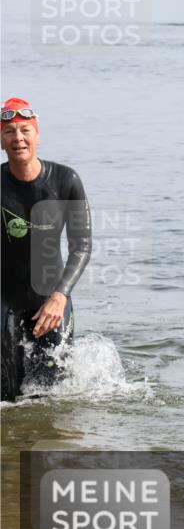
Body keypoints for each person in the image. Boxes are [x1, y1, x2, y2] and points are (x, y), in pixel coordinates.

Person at [1, 98, 92, 402]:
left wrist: (60, 296)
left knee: (53, 399)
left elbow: (82, 246)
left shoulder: (66, 181)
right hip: (5, 303)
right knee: (8, 398)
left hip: (51, 303)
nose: (18, 138)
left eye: (25, 130)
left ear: (37, 136)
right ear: (1, 141)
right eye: (9, 132)